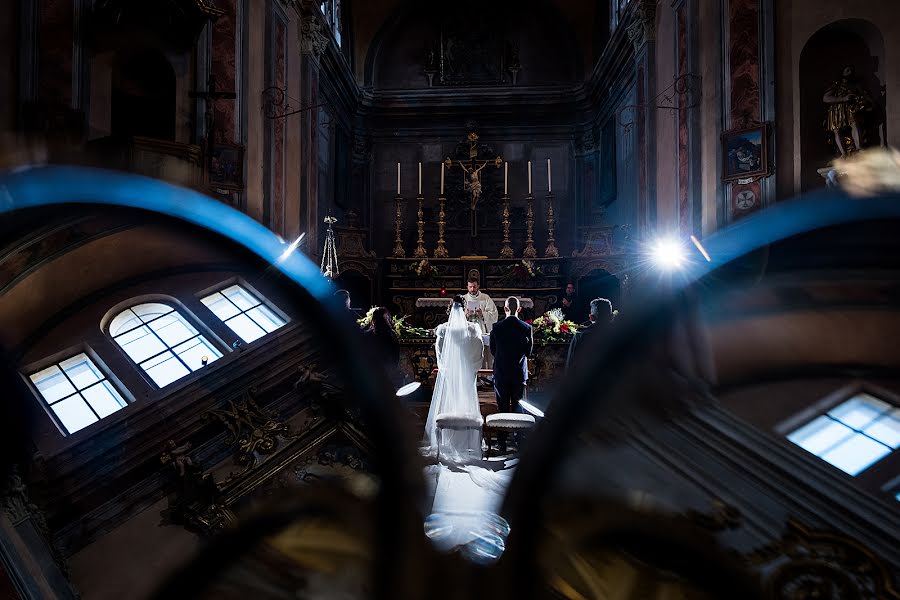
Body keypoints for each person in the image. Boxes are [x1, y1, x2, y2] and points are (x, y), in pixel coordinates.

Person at [423, 296, 485, 462]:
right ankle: (467, 442)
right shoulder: (473, 329)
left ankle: (447, 441)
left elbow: (440, 354)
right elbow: (479, 352)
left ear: (449, 310)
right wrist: (471, 370)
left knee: (449, 401)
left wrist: (446, 370)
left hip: (449, 375)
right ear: (465, 310)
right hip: (467, 376)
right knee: (466, 403)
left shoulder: (443, 329)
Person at [489, 296, 533, 453]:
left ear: (505, 309)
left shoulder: (497, 327)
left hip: (501, 372)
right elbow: (529, 352)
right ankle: (519, 441)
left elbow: (493, 350)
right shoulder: (526, 328)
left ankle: (501, 443)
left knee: (502, 407)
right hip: (518, 373)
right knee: (517, 407)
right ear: (519, 309)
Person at [566, 297, 616, 370]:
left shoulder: (581, 336)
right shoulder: (621, 336)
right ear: (611, 316)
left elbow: (571, 367)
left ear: (591, 317)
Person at [364, 307, 401, 387]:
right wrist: (394, 367)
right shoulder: (391, 334)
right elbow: (396, 352)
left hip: (372, 368)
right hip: (387, 368)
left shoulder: (368, 334)